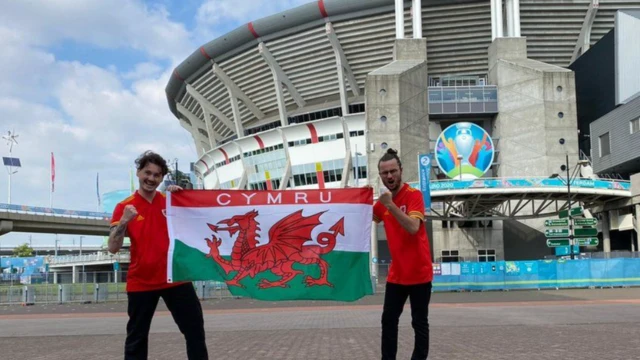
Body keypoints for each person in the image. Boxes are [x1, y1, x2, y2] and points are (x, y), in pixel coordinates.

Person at [108, 150, 208, 360]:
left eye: (157, 175)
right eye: (147, 173)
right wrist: (125, 221)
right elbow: (113, 247)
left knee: (195, 331)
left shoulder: (170, 202)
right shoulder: (124, 207)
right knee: (137, 338)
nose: (151, 179)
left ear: (162, 177)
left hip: (176, 278)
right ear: (138, 172)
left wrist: (181, 197)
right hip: (142, 282)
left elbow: (197, 221)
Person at [372, 148, 433, 360]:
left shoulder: (414, 195)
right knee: (388, 320)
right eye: (384, 173)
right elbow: (362, 219)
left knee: (419, 322)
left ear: (401, 170)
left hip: (419, 273)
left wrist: (390, 205)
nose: (389, 176)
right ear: (380, 175)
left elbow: (413, 228)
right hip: (397, 275)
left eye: (393, 171)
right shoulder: (381, 204)